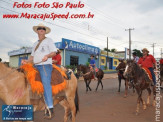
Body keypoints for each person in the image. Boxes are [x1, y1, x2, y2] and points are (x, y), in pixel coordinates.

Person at [21, 23, 57, 119]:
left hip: (45, 65)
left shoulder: (49, 40)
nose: (41, 29)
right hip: (35, 66)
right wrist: (27, 61)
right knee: (24, 81)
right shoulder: (34, 44)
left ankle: (50, 109)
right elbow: (32, 57)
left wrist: (47, 56)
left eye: (43, 28)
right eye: (39, 28)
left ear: (45, 31)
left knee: (46, 85)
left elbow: (54, 52)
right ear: (37, 31)